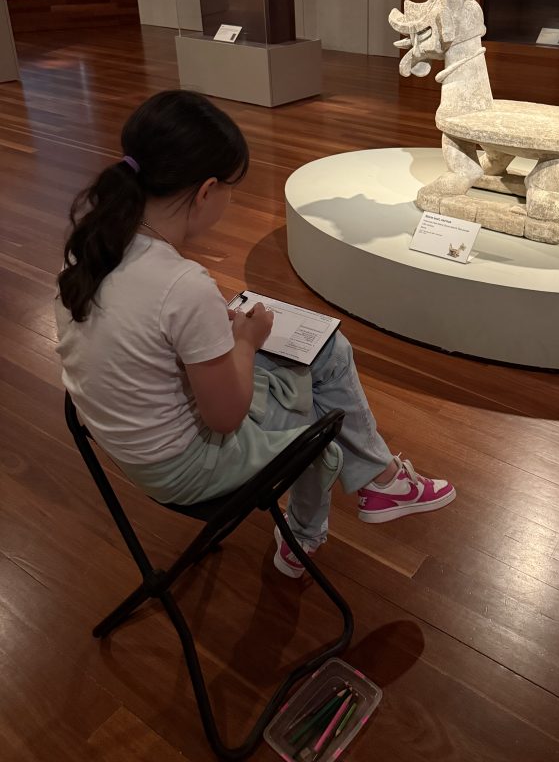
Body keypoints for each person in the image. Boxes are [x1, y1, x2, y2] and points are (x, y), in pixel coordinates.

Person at [55, 90, 455, 578]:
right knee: (323, 406)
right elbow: (225, 418)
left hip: (118, 440)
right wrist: (246, 340)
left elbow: (139, 336)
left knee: (325, 352)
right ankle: (310, 533)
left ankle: (380, 478)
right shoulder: (182, 285)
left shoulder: (91, 245)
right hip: (183, 466)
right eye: (230, 189)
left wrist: (214, 340)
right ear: (206, 190)